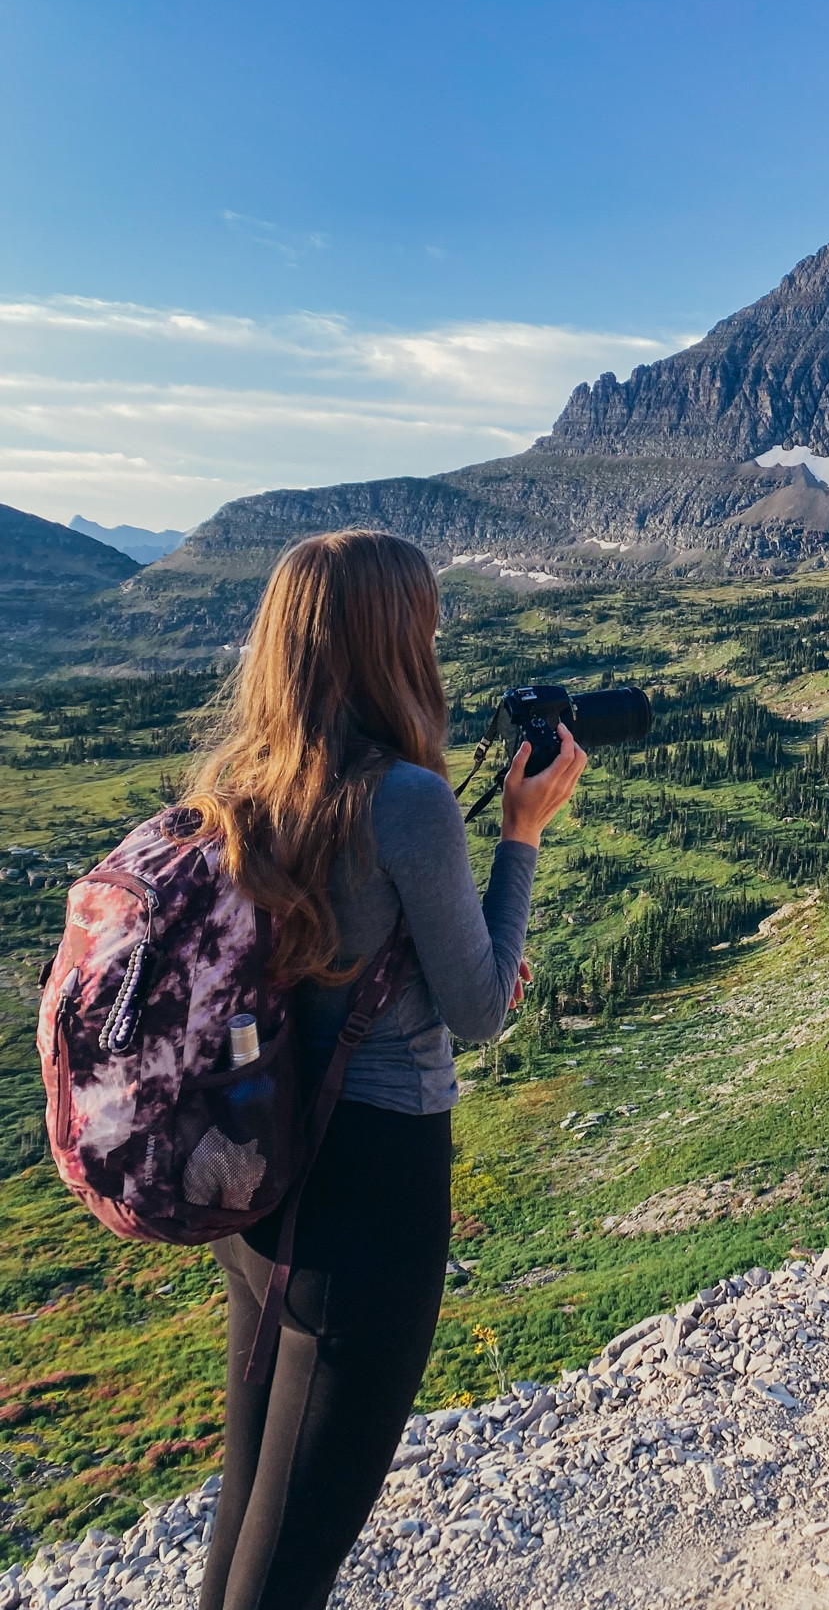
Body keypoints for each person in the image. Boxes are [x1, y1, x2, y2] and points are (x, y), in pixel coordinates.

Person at [186, 530, 585, 1610]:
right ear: (387, 641)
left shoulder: (242, 783)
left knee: (245, 1530)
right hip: (374, 1192)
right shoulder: (402, 798)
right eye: (426, 621)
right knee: (290, 1564)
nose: (439, 638)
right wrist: (521, 833)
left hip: (262, 1179)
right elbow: (477, 1007)